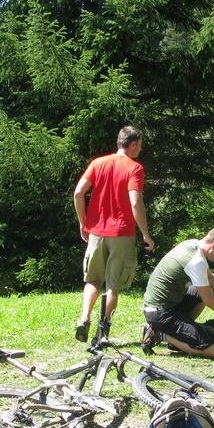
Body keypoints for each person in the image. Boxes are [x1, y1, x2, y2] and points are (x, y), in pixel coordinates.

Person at [73, 126, 155, 343]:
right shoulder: (135, 168)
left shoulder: (97, 163)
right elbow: (135, 202)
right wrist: (146, 234)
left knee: (93, 280)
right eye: (140, 145)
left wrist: (83, 223)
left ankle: (84, 318)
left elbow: (78, 193)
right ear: (133, 144)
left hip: (96, 233)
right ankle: (101, 333)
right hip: (121, 233)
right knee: (113, 286)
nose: (140, 150)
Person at [140, 227, 214, 358]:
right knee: (211, 350)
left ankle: (181, 338)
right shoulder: (196, 261)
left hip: (169, 304)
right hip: (160, 313)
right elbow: (209, 301)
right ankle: (158, 333)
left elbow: (208, 277)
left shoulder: (191, 244)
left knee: (203, 289)